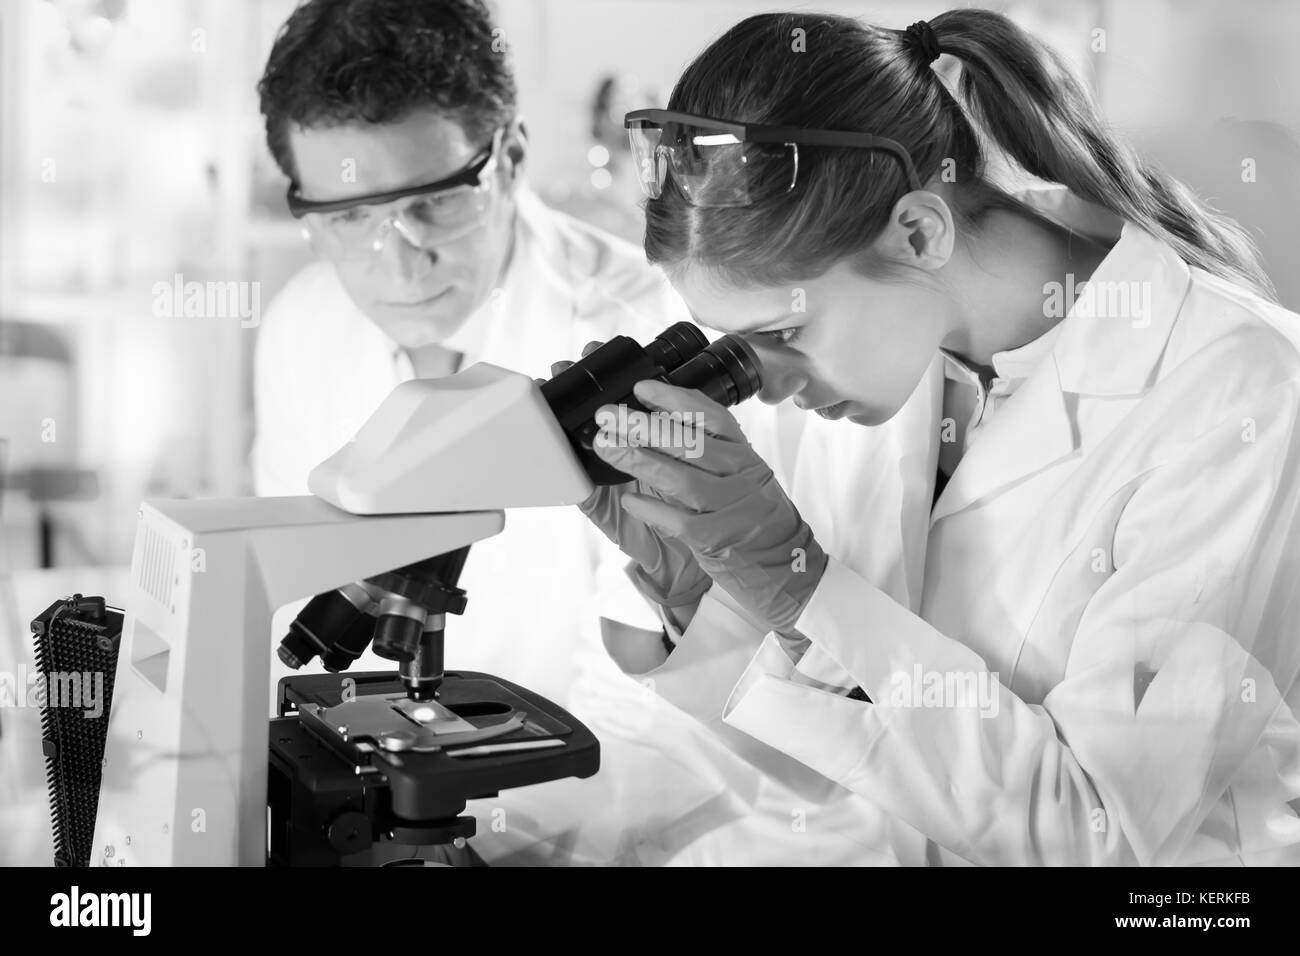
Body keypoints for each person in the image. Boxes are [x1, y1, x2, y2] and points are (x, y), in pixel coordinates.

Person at [584, 9, 1300, 865]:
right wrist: (712, 597)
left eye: (780, 334)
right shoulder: (883, 367)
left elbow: (1101, 833)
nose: (762, 383)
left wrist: (804, 586)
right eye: (736, 347)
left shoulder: (1242, 392)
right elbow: (848, 770)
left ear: (920, 232)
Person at [251, 0, 686, 705]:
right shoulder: (301, 326)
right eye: (350, 216)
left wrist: (511, 814)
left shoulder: (630, 326)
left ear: (509, 158)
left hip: (588, 797)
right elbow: (290, 586)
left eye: (434, 201)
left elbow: (647, 693)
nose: (400, 263)